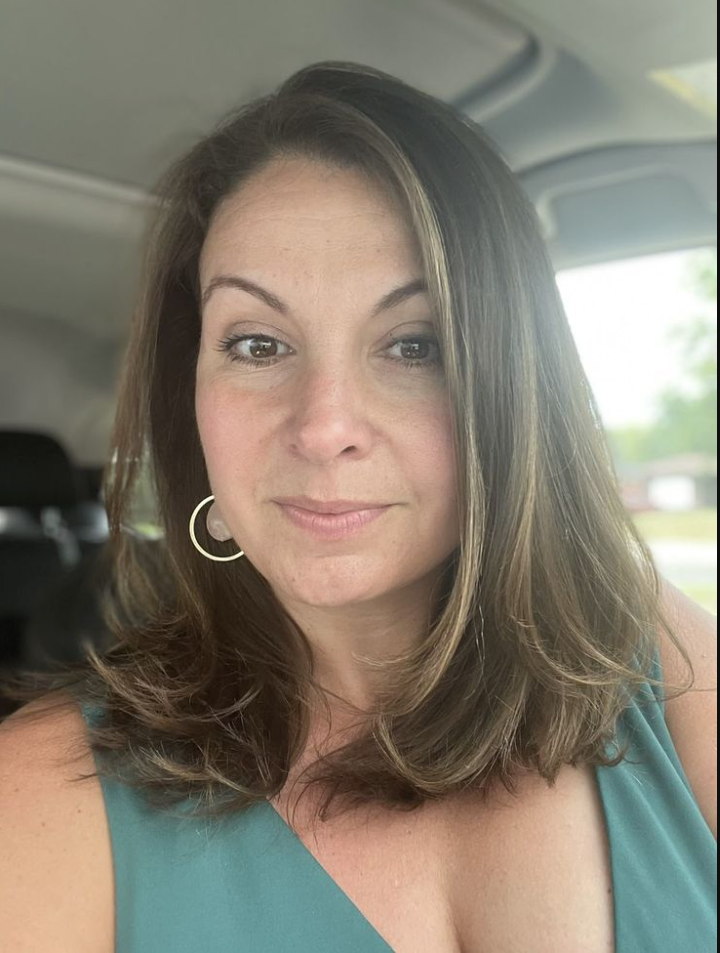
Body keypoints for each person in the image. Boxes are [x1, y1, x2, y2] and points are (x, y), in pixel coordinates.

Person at [0, 61, 716, 953]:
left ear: (514, 388)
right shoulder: (42, 796)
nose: (324, 426)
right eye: (258, 344)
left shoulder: (665, 670)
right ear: (192, 397)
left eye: (414, 345)